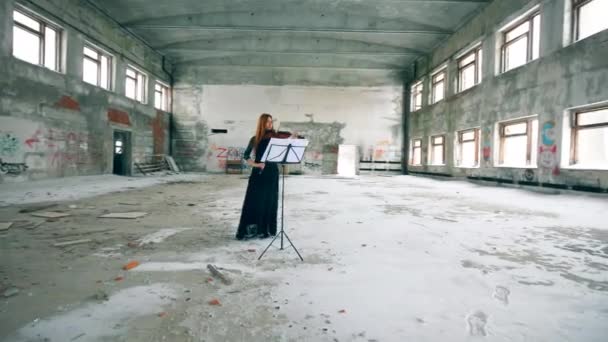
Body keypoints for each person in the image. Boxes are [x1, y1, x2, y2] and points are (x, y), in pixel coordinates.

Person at [236, 113, 293, 240]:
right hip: (259, 173)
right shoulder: (254, 139)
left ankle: (266, 230)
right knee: (255, 201)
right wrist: (257, 164)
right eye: (267, 122)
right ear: (262, 123)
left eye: (271, 122)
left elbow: (287, 143)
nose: (270, 124)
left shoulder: (275, 138)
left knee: (270, 200)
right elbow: (246, 157)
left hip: (272, 172)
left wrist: (292, 138)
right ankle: (254, 228)